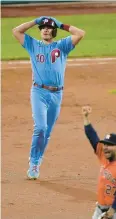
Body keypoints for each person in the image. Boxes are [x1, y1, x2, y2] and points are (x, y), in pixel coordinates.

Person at [12, 16, 85, 179]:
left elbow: (80, 33)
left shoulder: (63, 46)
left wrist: (61, 24)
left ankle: (38, 159)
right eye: (42, 27)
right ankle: (34, 162)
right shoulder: (33, 45)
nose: (45, 29)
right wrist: (35, 21)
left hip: (57, 94)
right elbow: (16, 31)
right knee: (40, 128)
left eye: (48, 27)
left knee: (47, 132)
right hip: (39, 92)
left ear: (54, 30)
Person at [82, 106, 116, 219]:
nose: (105, 147)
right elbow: (93, 137)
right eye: (105, 144)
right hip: (100, 209)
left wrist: (112, 211)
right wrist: (86, 118)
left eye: (109, 145)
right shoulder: (104, 156)